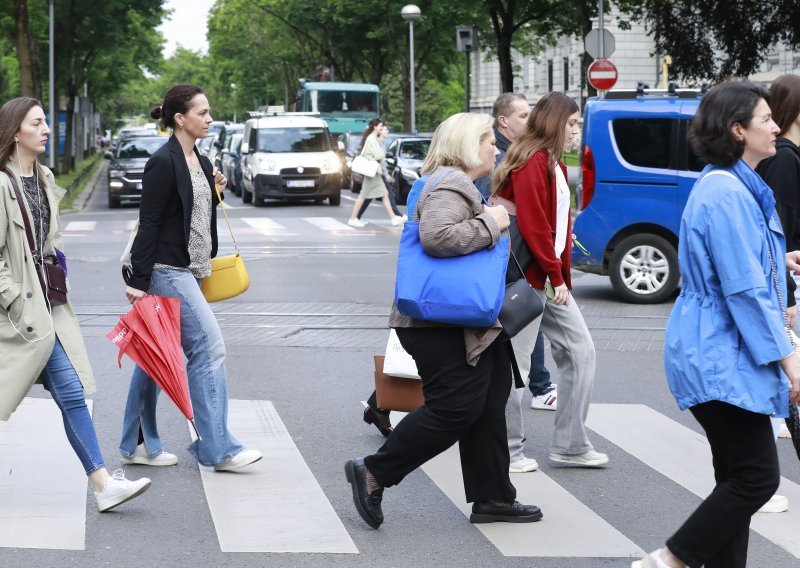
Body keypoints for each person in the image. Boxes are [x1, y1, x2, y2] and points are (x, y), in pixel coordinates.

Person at [345, 112, 542, 529]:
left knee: (490, 399)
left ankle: (493, 498)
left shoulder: (450, 181)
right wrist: (493, 221)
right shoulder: (451, 183)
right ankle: (375, 472)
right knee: (455, 409)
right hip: (441, 324)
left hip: (460, 321)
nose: (495, 147)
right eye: (489, 139)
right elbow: (438, 238)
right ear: (469, 145)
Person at [632, 81, 800, 568]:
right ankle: (669, 559)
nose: (776, 126)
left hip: (720, 348)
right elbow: (743, 291)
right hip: (719, 352)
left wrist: (778, 258)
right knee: (756, 479)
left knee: (736, 478)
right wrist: (789, 358)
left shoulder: (733, 184)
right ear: (737, 130)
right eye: (766, 119)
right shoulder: (726, 192)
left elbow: (739, 268)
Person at [0, 97, 151, 512]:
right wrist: (14, 298)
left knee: (70, 391)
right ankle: (103, 484)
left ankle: (103, 484)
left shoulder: (44, 178)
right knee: (66, 391)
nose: (46, 128)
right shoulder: (0, 184)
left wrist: (58, 273)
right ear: (16, 132)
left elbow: (50, 240)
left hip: (47, 306)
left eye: (45, 121)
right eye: (37, 122)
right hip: (18, 313)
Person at [121, 84, 262, 472]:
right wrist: (138, 279)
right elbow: (148, 223)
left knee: (154, 356)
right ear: (180, 118)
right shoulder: (162, 162)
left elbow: (193, 213)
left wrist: (214, 187)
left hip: (193, 270)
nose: (210, 118)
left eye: (209, 111)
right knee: (209, 349)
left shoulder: (197, 158)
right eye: (202, 112)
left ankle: (135, 443)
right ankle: (219, 449)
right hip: (167, 272)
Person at [493, 91, 608, 469]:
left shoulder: (553, 163)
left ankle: (571, 445)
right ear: (556, 122)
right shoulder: (532, 160)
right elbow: (535, 225)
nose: (575, 131)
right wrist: (557, 277)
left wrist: (561, 279)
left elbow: (557, 229)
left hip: (547, 280)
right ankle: (506, 450)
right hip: (528, 281)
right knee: (516, 369)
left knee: (581, 352)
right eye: (571, 123)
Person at [754, 73, 800, 515]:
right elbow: (779, 233)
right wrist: (785, 293)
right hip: (783, 291)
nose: (773, 126)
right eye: (764, 119)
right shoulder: (784, 159)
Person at [348, 120, 404, 228]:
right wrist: (380, 154)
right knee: (364, 195)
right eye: (380, 126)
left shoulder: (373, 138)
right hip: (371, 171)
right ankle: (353, 218)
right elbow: (379, 155)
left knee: (384, 194)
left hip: (374, 171)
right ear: (375, 127)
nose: (381, 128)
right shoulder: (371, 139)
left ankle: (393, 218)